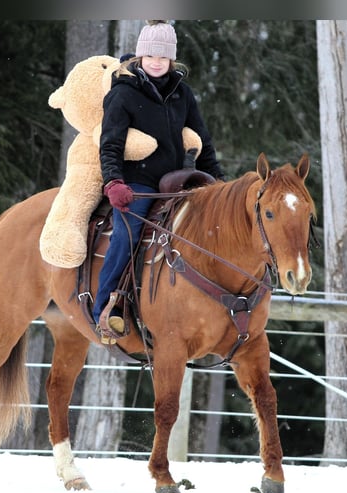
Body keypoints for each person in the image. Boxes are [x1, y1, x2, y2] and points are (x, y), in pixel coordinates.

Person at [93, 20, 225, 340]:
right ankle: (106, 309)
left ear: (171, 60)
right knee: (128, 233)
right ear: (140, 56)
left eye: (163, 57)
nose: (156, 62)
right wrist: (114, 182)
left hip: (176, 183)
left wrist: (219, 185)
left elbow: (202, 141)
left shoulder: (183, 94)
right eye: (151, 55)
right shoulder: (123, 94)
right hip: (136, 187)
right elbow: (109, 144)